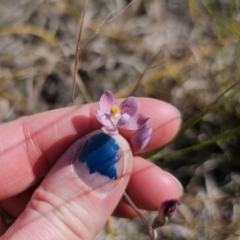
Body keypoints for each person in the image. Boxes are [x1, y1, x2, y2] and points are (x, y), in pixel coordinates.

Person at [0, 97, 182, 239]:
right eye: (114, 109)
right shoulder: (110, 125)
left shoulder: (127, 122)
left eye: (119, 110)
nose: (116, 111)